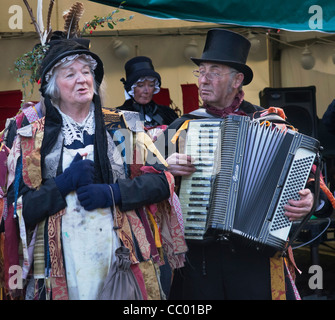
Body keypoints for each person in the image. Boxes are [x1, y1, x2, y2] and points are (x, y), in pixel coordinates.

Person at [0, 38, 186, 300]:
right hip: (60, 266)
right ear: (53, 87)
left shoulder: (122, 126)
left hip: (121, 258)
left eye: (86, 72)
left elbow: (161, 181)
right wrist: (63, 184)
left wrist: (112, 193)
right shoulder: (32, 138)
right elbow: (18, 211)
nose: (82, 80)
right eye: (70, 74)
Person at [164, 28, 334, 300]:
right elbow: (144, 179)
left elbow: (317, 188)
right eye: (201, 72)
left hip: (254, 260)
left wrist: (308, 202)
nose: (203, 80)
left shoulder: (273, 126)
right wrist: (166, 169)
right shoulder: (182, 126)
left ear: (237, 80)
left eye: (214, 72)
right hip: (199, 260)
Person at [117, 56, 179, 141]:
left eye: (151, 85)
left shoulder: (167, 113)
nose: (147, 91)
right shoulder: (118, 115)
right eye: (141, 85)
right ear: (131, 88)